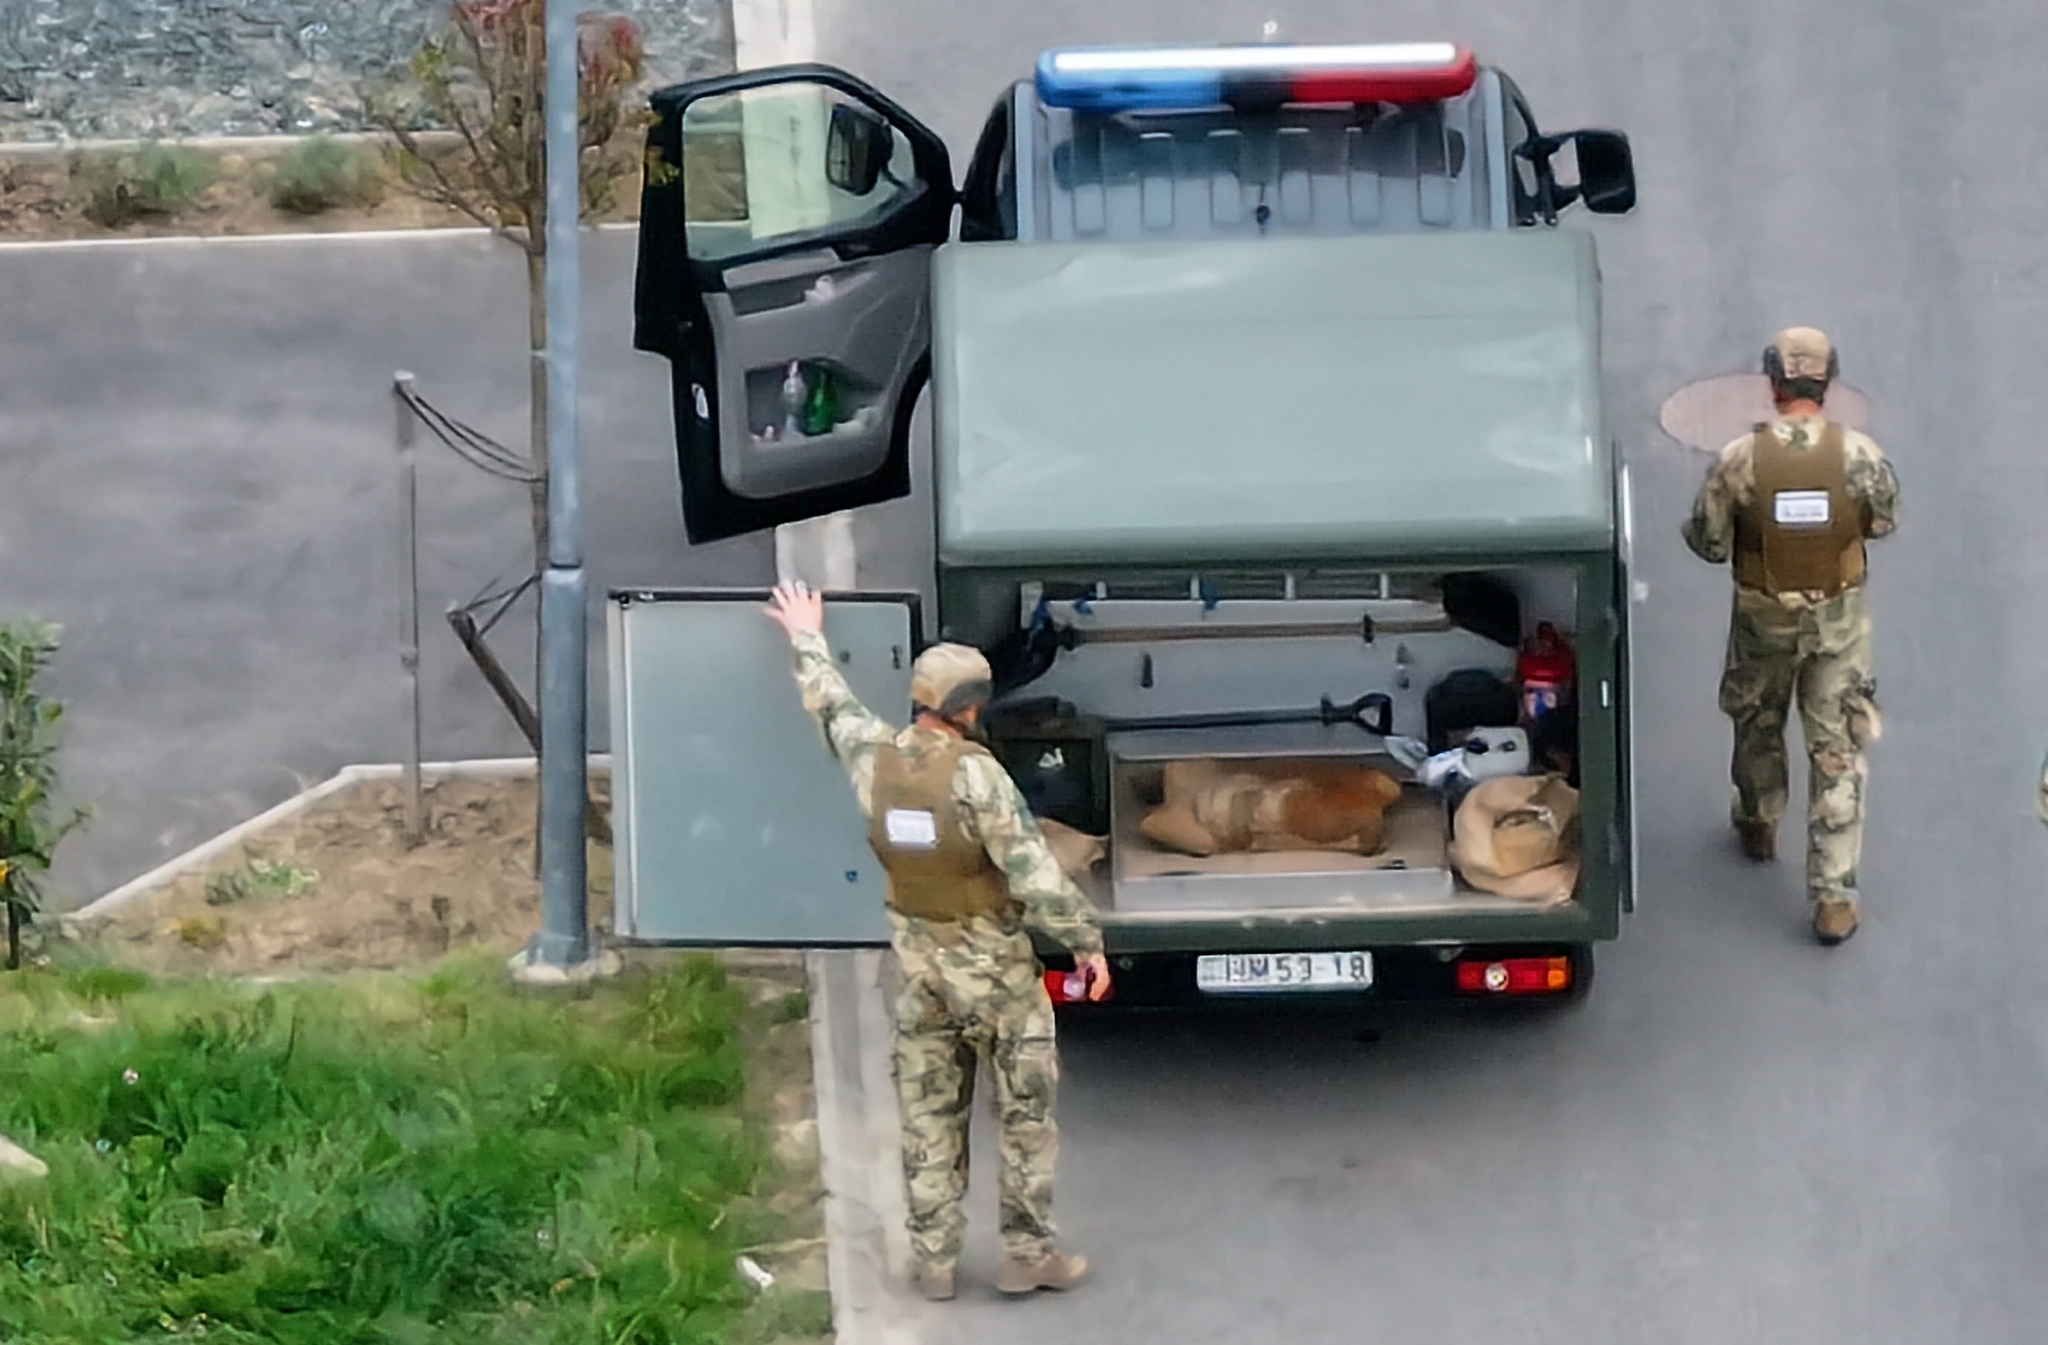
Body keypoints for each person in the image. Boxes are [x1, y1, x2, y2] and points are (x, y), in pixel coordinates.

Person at [764, 580, 1111, 1301]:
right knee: (1025, 1118)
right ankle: (1027, 1253)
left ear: (922, 699)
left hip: (922, 975)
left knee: (927, 1116)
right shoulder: (978, 777)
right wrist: (1086, 943)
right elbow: (1032, 869)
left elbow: (832, 706)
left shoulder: (877, 758)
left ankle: (934, 1260)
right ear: (972, 708)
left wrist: (805, 634)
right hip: (1000, 981)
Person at [1681, 327, 1900, 946]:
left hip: (1763, 615)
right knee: (1837, 750)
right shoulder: (1859, 454)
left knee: (1757, 717)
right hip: (1839, 623)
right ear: (1828, 384)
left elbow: (1708, 540)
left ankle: (1758, 818)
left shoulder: (1740, 459)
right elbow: (1885, 519)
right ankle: (1833, 897)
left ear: (1773, 382)